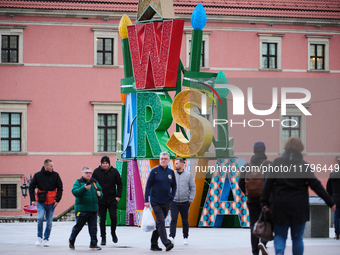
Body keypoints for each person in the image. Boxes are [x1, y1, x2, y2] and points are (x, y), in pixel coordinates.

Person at [261, 137, 335, 255]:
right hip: (299, 207)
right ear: (300, 149)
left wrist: (264, 202)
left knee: (280, 235)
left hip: (280, 206)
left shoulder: (277, 163)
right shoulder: (304, 166)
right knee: (297, 238)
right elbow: (316, 185)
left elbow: (268, 184)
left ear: (286, 147)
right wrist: (330, 202)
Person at [238, 141, 272, 255]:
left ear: (253, 151)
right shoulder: (269, 165)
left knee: (253, 224)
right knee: (268, 222)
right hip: (266, 200)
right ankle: (263, 242)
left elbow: (241, 182)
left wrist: (248, 193)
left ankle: (255, 252)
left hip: (251, 199)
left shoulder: (247, 166)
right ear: (264, 151)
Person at [145, 152, 177, 251]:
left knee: (159, 223)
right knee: (161, 221)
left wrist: (171, 197)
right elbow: (148, 186)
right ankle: (166, 242)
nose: (163, 160)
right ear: (160, 159)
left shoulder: (171, 173)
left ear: (168, 160)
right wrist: (146, 200)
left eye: (165, 159)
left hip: (167, 202)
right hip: (155, 201)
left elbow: (174, 186)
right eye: (162, 158)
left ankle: (153, 244)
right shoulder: (154, 171)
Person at [29, 159, 63, 247]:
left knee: (49, 222)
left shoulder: (56, 175)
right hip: (41, 201)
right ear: (45, 166)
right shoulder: (37, 175)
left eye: (53, 166)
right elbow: (31, 187)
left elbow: (60, 188)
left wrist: (57, 200)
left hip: (52, 202)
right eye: (51, 166)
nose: (52, 168)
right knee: (40, 218)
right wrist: (33, 200)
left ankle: (46, 238)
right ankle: (39, 237)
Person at [69, 167, 103, 250]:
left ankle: (93, 244)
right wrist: (84, 188)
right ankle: (71, 240)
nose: (88, 174)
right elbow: (75, 192)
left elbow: (100, 190)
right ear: (82, 173)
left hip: (93, 209)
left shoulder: (94, 182)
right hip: (82, 210)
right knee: (78, 227)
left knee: (93, 228)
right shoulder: (78, 182)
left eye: (90, 173)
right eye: (86, 172)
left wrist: (100, 194)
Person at [92, 156, 123, 246]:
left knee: (113, 217)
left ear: (109, 163)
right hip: (101, 199)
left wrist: (118, 196)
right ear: (101, 164)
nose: (105, 165)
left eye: (106, 163)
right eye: (103, 163)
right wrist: (96, 194)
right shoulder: (96, 172)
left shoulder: (114, 171)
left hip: (112, 199)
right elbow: (93, 183)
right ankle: (103, 238)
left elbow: (120, 184)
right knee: (102, 219)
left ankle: (113, 233)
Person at [169, 158, 196, 245]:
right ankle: (171, 236)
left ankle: (185, 237)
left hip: (185, 202)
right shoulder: (171, 174)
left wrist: (190, 199)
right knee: (173, 219)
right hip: (174, 201)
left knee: (185, 220)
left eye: (177, 163)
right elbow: (168, 187)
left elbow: (193, 188)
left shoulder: (188, 175)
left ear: (182, 164)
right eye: (175, 163)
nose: (175, 165)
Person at [326, 166, 340, 240]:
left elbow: (328, 187)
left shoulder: (333, 175)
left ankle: (337, 233)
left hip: (336, 199)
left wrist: (332, 196)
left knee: (336, 216)